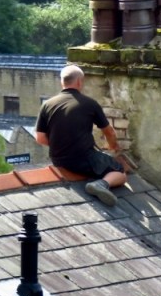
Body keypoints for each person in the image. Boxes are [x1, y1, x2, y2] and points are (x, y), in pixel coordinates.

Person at [35, 65, 126, 206]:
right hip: (83, 159)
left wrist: (61, 143)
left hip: (58, 159)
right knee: (120, 172)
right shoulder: (90, 104)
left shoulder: (47, 105)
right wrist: (113, 148)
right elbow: (109, 131)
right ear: (79, 82)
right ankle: (101, 185)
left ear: (62, 82)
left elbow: (40, 138)